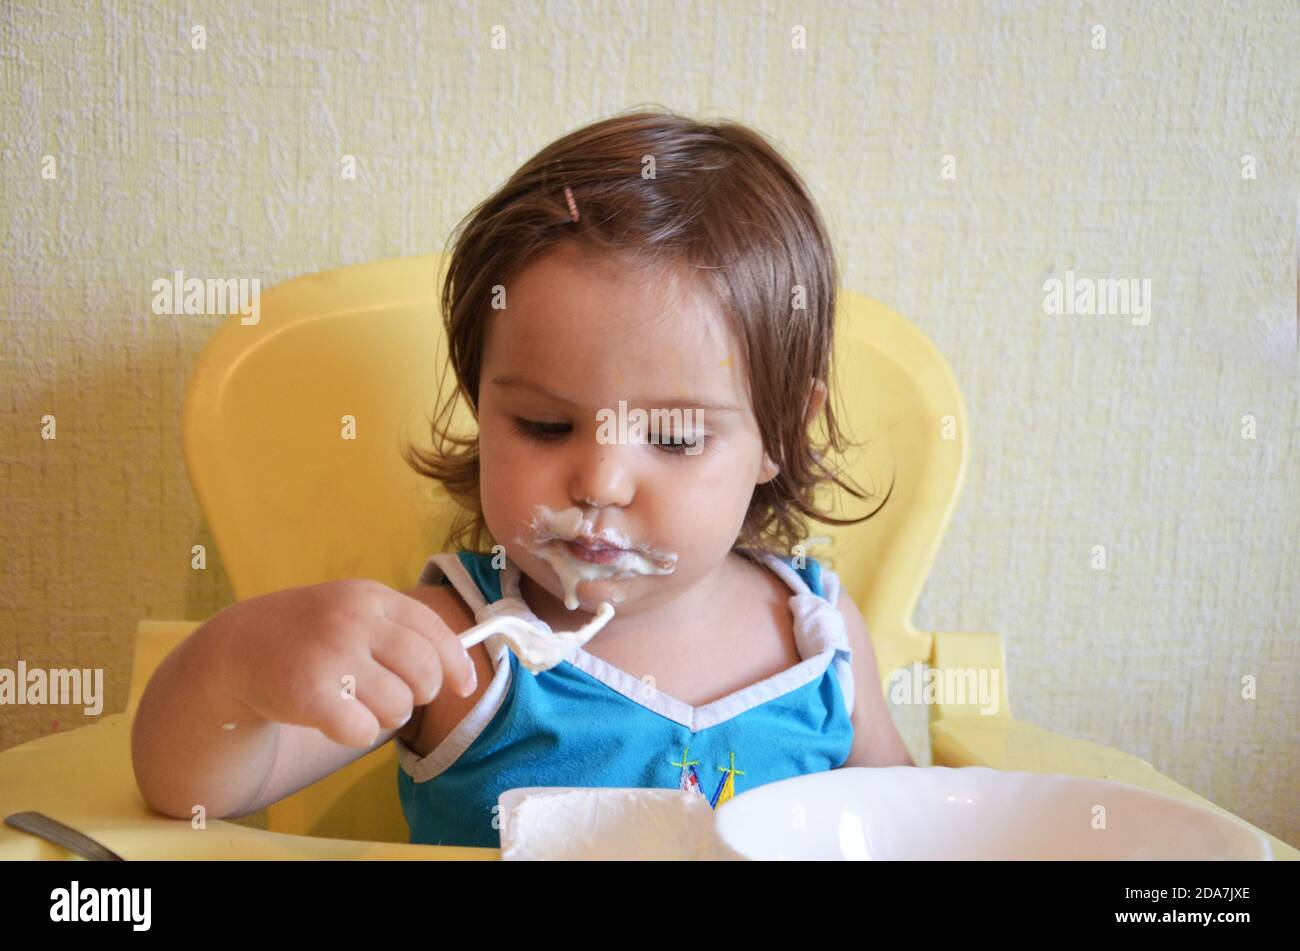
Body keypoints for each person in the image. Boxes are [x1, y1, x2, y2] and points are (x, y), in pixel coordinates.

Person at [131, 108, 913, 851]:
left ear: (780, 430)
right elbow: (188, 793)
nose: (600, 480)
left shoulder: (820, 642)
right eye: (545, 425)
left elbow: (910, 830)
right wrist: (238, 664)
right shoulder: (455, 647)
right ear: (482, 404)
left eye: (673, 438)